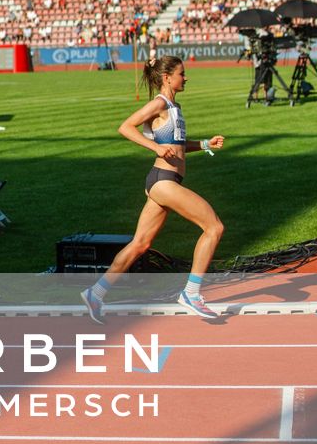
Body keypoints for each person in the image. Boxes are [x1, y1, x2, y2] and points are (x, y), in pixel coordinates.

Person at [81, 56, 227, 324]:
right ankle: (191, 294)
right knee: (214, 227)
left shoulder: (174, 106)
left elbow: (179, 146)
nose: (186, 78)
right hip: (163, 181)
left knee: (140, 244)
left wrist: (205, 143)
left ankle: (95, 292)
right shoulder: (159, 103)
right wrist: (155, 148)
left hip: (164, 180)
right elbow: (125, 127)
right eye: (182, 74)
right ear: (167, 77)